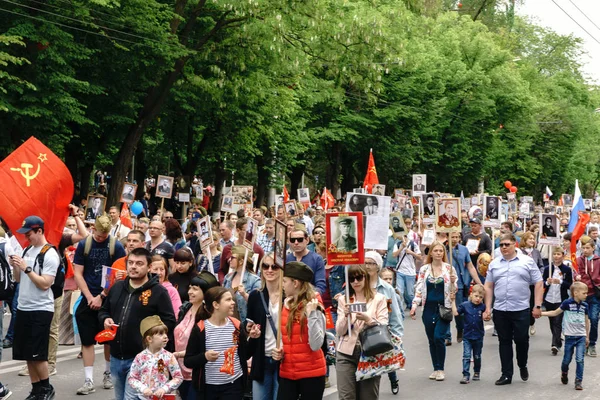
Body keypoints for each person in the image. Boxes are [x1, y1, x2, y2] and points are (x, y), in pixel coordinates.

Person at [99, 247, 177, 400]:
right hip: (116, 356)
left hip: (142, 358)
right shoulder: (117, 287)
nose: (133, 266)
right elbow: (103, 310)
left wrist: (153, 337)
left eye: (139, 263)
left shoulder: (159, 292)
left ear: (149, 267)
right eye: (131, 263)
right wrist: (105, 319)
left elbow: (169, 321)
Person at [73, 214, 126, 395]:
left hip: (108, 298)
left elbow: (119, 274)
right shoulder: (84, 244)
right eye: (99, 235)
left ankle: (108, 373)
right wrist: (89, 297)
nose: (101, 239)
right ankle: (88, 380)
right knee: (87, 341)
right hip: (88, 297)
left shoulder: (116, 246)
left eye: (105, 236)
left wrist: (102, 296)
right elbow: (78, 273)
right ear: (93, 229)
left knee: (108, 338)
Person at [9, 216, 59, 400]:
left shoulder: (50, 254)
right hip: (24, 307)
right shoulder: (27, 249)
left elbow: (45, 284)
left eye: (29, 234)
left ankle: (46, 388)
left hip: (41, 309)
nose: (26, 238)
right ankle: (36, 389)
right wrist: (16, 266)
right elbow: (18, 279)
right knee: (27, 353)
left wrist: (27, 268)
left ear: (39, 231)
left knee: (38, 353)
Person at [483, 233, 543, 386]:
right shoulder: (494, 263)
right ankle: (506, 374)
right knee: (504, 341)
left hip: (521, 308)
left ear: (514, 244)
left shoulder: (527, 261)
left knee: (522, 340)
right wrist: (487, 308)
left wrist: (537, 305)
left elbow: (538, 282)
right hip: (501, 309)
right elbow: (488, 286)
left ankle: (522, 364)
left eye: (507, 244)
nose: (503, 247)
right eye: (501, 245)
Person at [184, 287, 259, 398]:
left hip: (234, 385)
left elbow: (245, 354)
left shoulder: (236, 325)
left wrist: (253, 339)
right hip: (208, 388)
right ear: (216, 305)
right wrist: (205, 357)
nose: (233, 302)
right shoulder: (200, 329)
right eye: (228, 300)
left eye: (232, 299)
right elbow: (188, 361)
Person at [272, 262, 326, 399]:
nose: (282, 285)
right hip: (288, 372)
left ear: (295, 283)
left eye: (284, 281)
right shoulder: (284, 305)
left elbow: (316, 345)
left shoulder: (314, 305)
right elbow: (288, 339)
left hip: (311, 374)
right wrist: (280, 352)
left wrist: (312, 315)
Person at [335, 264, 389, 399]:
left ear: (365, 277)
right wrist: (346, 316)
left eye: (358, 278)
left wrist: (368, 319)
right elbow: (340, 331)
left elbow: (383, 325)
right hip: (346, 352)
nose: (355, 282)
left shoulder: (379, 298)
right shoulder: (344, 300)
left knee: (368, 396)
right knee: (346, 396)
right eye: (351, 279)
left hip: (370, 351)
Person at [410, 241, 458, 381]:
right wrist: (414, 306)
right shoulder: (425, 269)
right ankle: (435, 368)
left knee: (439, 337)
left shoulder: (449, 269)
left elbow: (454, 290)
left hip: (443, 308)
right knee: (431, 340)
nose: (438, 253)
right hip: (428, 309)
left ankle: (441, 369)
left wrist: (454, 282)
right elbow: (419, 289)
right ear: (431, 252)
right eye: (436, 250)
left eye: (441, 251)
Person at [173, 273, 219, 400]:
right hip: (179, 370)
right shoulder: (185, 308)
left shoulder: (209, 315)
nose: (190, 292)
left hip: (197, 372)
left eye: (195, 289)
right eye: (190, 288)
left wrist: (181, 354)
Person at [364, 251, 403, 394]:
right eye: (365, 263)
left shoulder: (387, 289)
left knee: (386, 360)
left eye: (371, 263)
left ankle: (393, 379)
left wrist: (397, 336)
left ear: (378, 266)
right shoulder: (357, 284)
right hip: (363, 332)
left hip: (382, 331)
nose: (367, 266)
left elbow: (395, 315)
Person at [541, 282, 590, 391]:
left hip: (581, 336)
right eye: (584, 293)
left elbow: (587, 321)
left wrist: (587, 336)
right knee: (566, 360)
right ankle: (564, 372)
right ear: (575, 293)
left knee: (580, 359)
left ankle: (578, 381)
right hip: (570, 337)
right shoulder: (567, 303)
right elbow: (555, 312)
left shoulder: (585, 305)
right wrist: (541, 313)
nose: (586, 295)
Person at [247, 254, 282, 400]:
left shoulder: (288, 296)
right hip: (262, 357)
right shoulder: (255, 295)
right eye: (265, 266)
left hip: (283, 358)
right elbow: (249, 324)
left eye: (274, 266)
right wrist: (250, 330)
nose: (269, 270)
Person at [127, 315, 183, 398]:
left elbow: (178, 377)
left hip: (162, 397)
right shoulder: (140, 357)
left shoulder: (169, 356)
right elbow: (132, 378)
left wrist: (164, 389)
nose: (165, 336)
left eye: (165, 333)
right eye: (160, 334)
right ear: (149, 339)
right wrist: (143, 388)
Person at [448, 231, 481, 344]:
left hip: (460, 284)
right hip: (446, 283)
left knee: (458, 310)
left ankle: (460, 329)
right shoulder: (443, 249)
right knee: (445, 308)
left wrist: (478, 282)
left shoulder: (463, 249)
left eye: (457, 237)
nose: (455, 239)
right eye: (453, 236)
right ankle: (446, 335)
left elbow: (470, 266)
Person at [450, 284, 486, 384]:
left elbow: (487, 316)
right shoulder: (465, 305)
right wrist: (453, 301)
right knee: (466, 355)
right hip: (467, 336)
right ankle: (465, 374)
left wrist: (487, 316)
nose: (478, 299)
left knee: (477, 355)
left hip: (478, 336)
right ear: (471, 294)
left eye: (480, 297)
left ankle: (477, 371)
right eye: (476, 296)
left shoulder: (482, 307)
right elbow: (456, 313)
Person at [543, 247, 573, 355]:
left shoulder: (566, 269)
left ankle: (554, 344)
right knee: (552, 321)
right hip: (549, 298)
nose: (556, 256)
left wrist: (560, 281)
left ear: (562, 256)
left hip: (560, 298)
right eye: (554, 254)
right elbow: (542, 283)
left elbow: (570, 285)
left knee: (557, 320)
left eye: (558, 254)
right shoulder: (548, 269)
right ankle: (557, 340)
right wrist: (547, 282)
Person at [574, 236, 600, 357]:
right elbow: (575, 272)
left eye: (587, 248)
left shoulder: (598, 261)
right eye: (583, 248)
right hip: (581, 294)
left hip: (594, 294)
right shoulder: (579, 260)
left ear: (593, 248)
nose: (585, 250)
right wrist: (576, 277)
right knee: (581, 321)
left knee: (594, 319)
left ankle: (592, 343)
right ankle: (582, 343)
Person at [223, 245, 261, 323]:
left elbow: (258, 304)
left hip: (244, 325)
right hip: (228, 323)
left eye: (233, 258)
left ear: (241, 261)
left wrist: (244, 294)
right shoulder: (227, 278)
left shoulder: (254, 280)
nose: (229, 260)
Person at [520, 231, 544, 336]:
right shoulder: (519, 252)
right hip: (522, 282)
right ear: (524, 240)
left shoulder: (536, 252)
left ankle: (531, 323)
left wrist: (540, 274)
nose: (532, 240)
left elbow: (541, 265)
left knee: (531, 304)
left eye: (533, 238)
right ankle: (523, 324)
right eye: (530, 238)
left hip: (533, 283)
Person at [393, 235, 421, 309]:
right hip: (400, 271)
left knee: (410, 294)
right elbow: (394, 255)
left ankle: (412, 306)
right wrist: (401, 247)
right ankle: (400, 309)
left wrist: (411, 252)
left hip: (410, 272)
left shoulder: (413, 244)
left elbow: (420, 257)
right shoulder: (398, 244)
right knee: (400, 292)